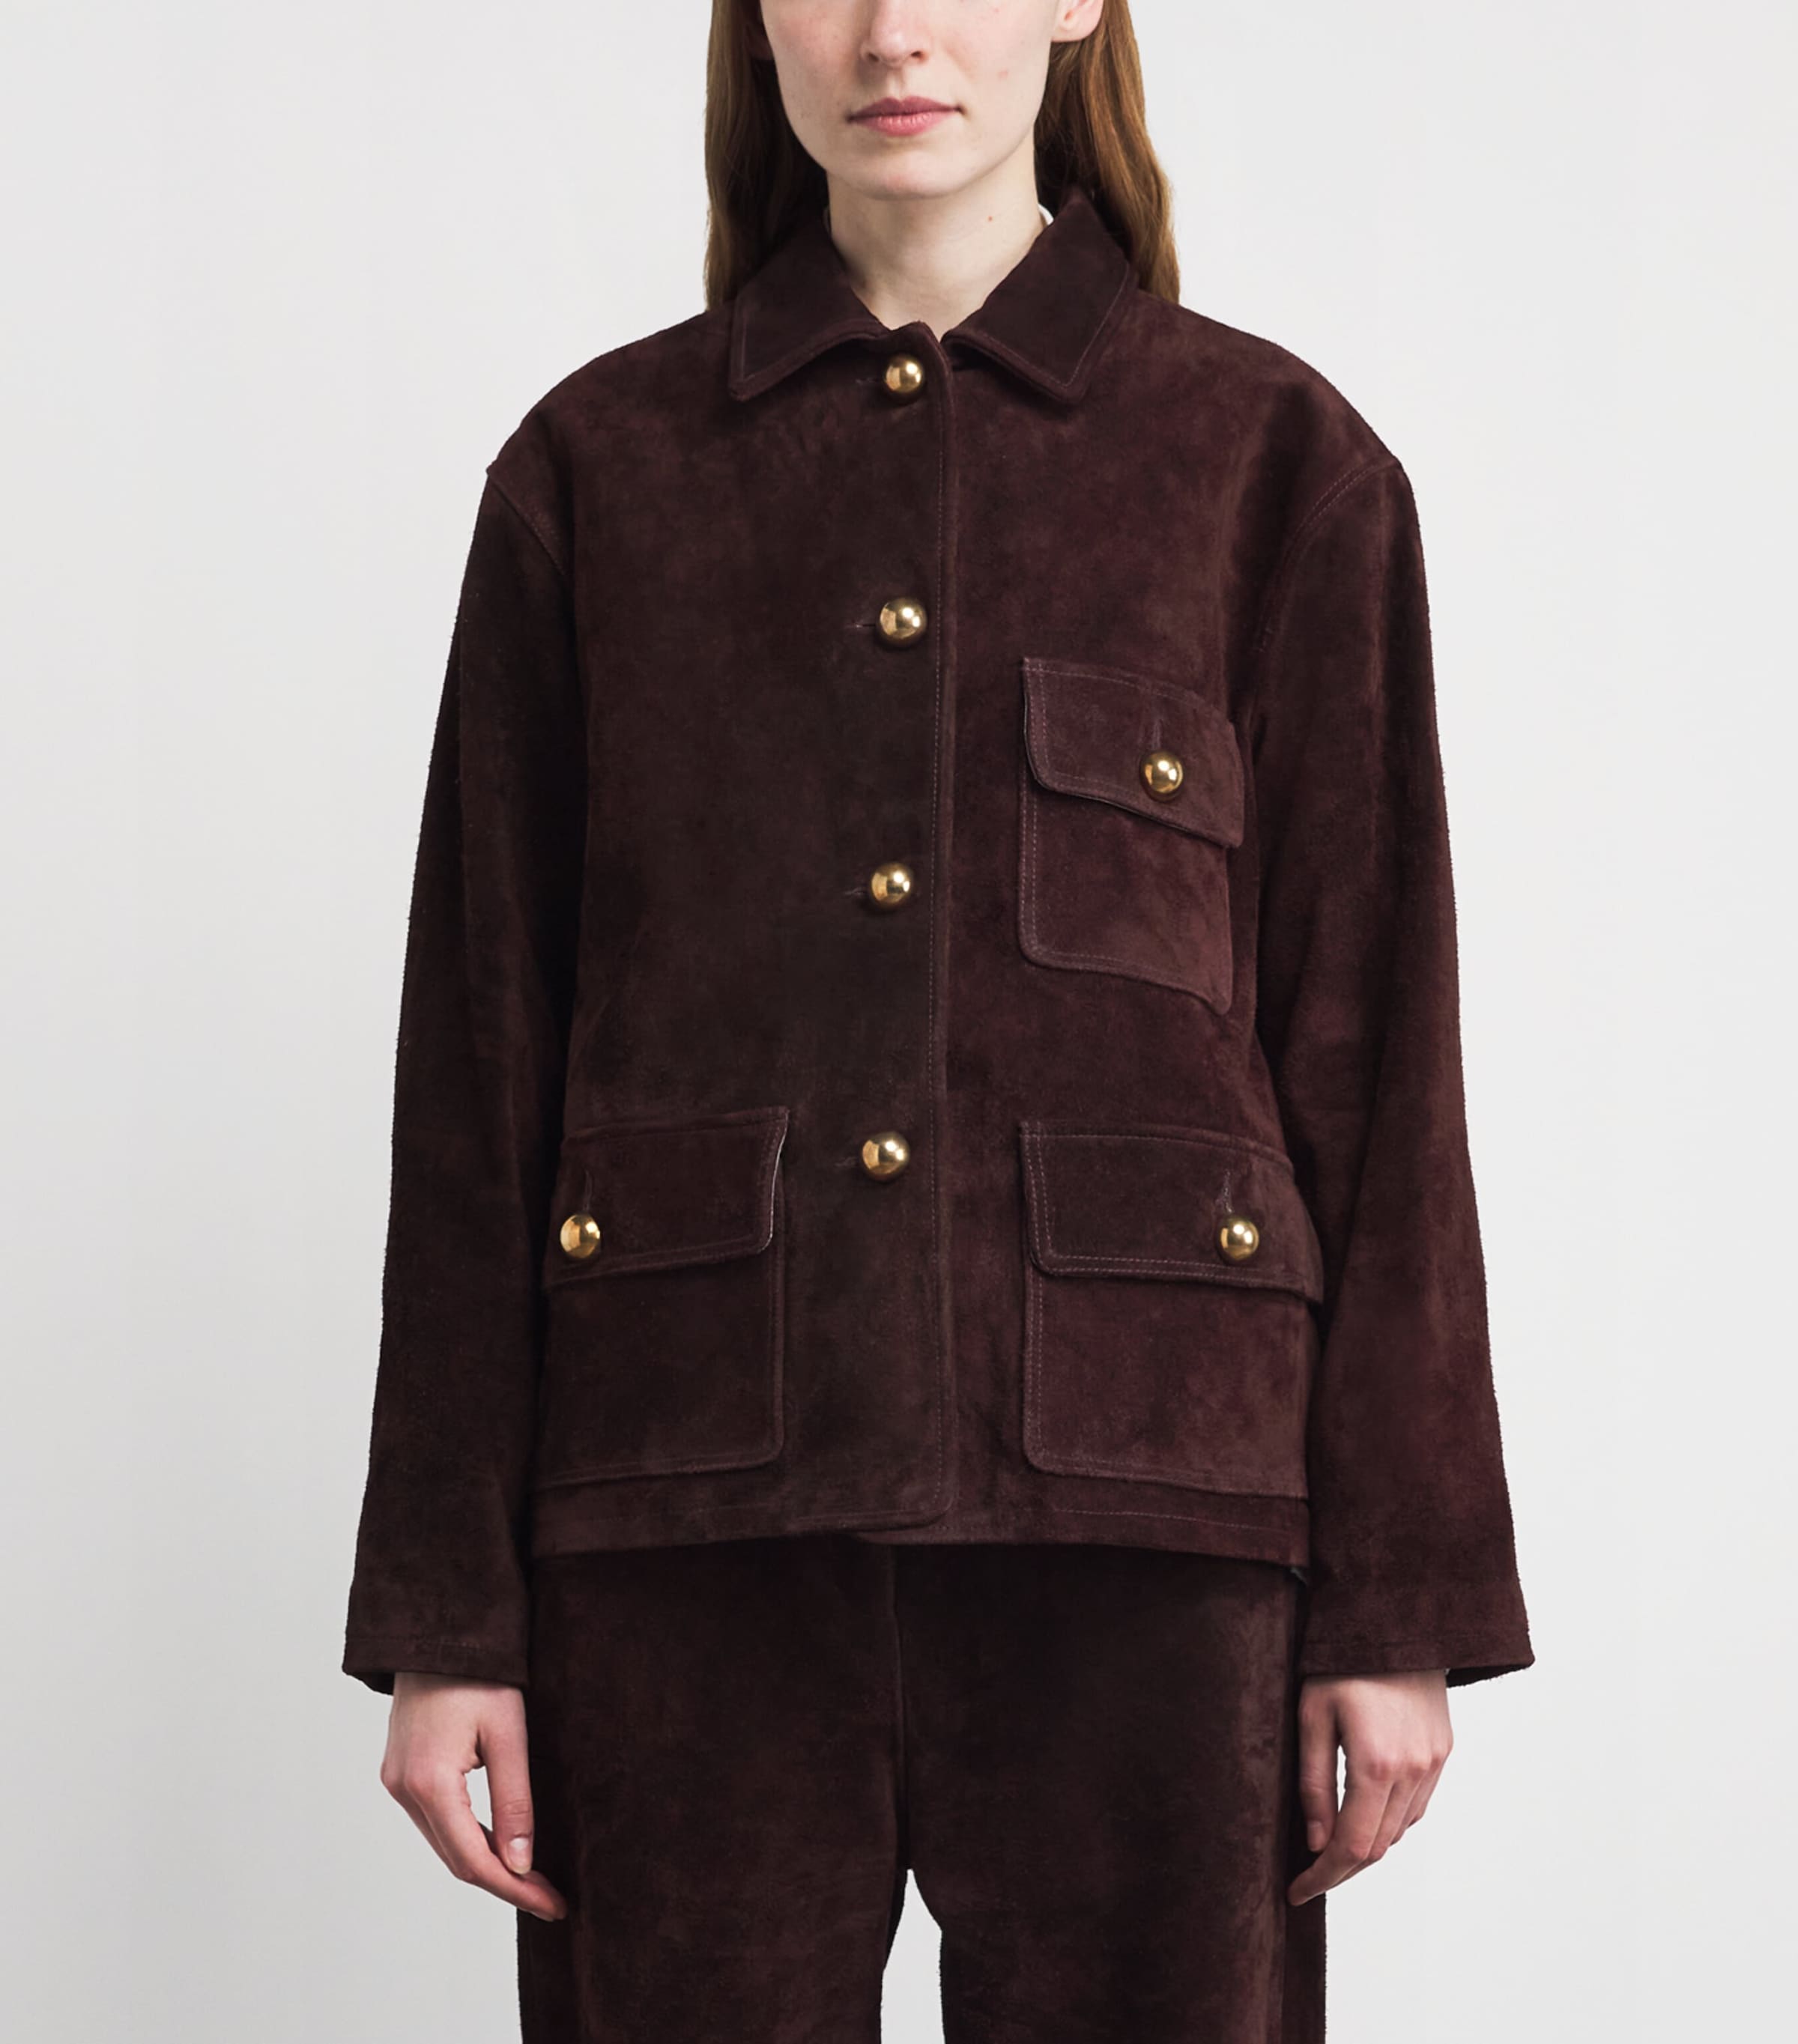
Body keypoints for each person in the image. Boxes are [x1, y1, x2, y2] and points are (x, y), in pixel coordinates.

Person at [341, 2, 1534, 2037]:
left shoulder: (1272, 465)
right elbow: (478, 1060)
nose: (896, 34)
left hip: (1153, 1520)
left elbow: (1377, 1056)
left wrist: (1398, 1598)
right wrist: (449, 1610)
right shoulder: (598, 475)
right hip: (685, 1508)